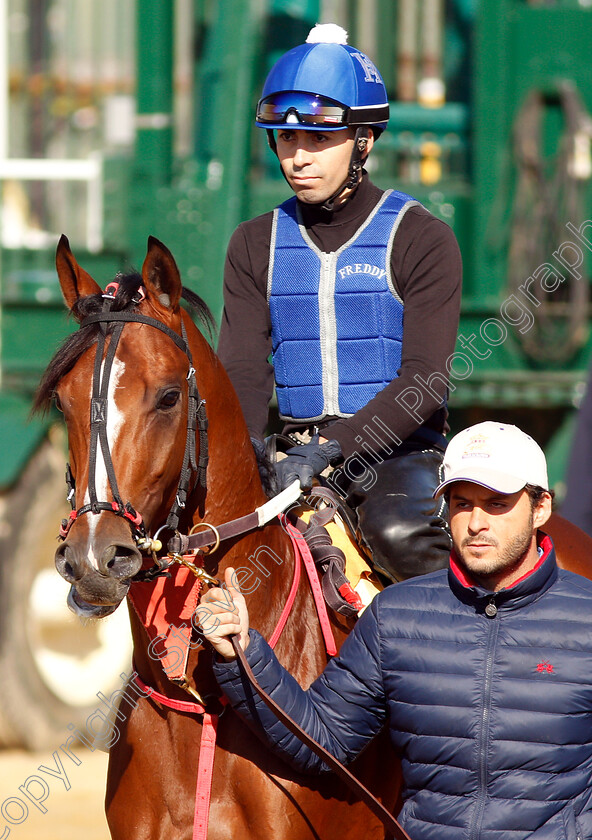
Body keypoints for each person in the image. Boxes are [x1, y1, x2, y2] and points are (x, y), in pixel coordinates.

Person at [198, 421, 592, 838]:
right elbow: (324, 740)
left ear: (542, 508)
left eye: (496, 503)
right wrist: (241, 652)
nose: (476, 522)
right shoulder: (395, 615)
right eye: (461, 503)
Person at [217, 23, 462, 582]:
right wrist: (248, 457)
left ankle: (463, 654)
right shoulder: (253, 242)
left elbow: (426, 379)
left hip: (395, 455)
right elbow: (244, 372)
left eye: (318, 140)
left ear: (364, 140)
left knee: (397, 533)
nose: (297, 157)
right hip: (289, 455)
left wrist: (334, 448)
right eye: (284, 139)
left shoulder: (422, 237)